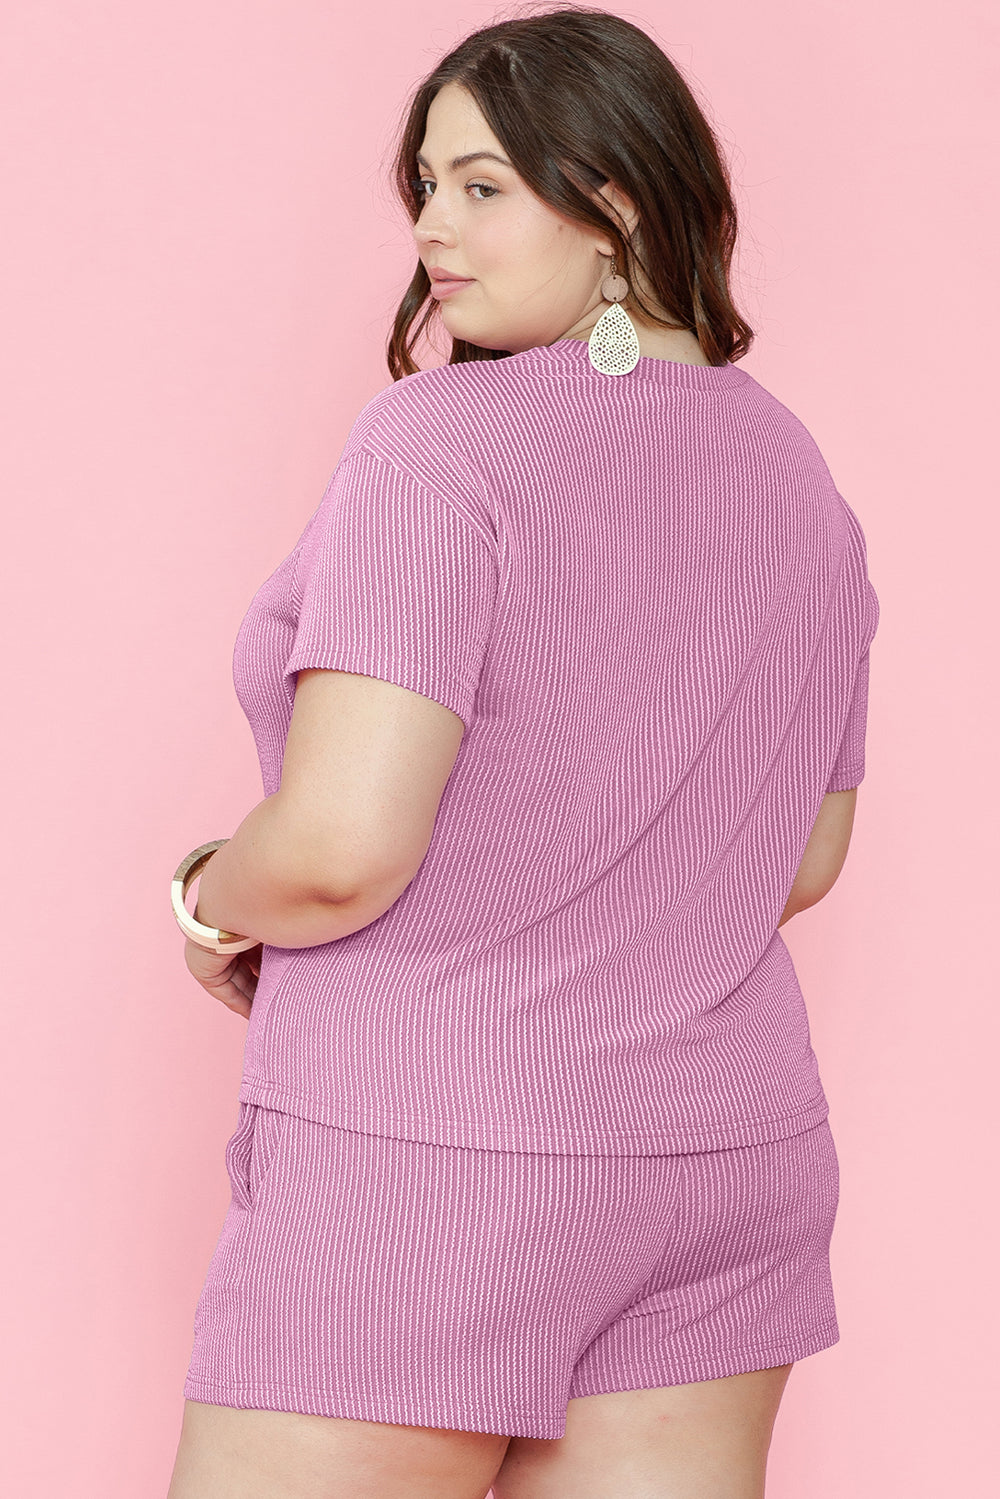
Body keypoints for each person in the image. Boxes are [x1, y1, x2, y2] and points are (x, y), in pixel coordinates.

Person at [166, 6, 879, 1497]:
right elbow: (804, 855)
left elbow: (341, 848)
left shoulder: (438, 445)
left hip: (422, 1160)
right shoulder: (793, 474)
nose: (432, 227)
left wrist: (210, 896)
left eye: (482, 186)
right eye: (425, 186)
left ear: (612, 203)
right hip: (720, 1161)